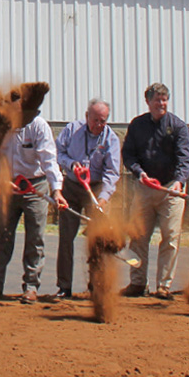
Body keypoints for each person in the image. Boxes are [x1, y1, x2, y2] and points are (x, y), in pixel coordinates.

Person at [0, 91, 67, 304]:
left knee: (35, 239)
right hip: (8, 185)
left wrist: (56, 190)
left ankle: (31, 287)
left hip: (35, 186)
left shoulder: (39, 126)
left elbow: (49, 160)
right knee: (1, 236)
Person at [121, 83, 189, 299]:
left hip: (171, 188)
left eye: (164, 99)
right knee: (138, 237)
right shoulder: (137, 125)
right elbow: (129, 155)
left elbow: (185, 157)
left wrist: (179, 181)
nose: (161, 103)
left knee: (170, 237)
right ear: (148, 101)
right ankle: (137, 282)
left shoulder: (178, 126)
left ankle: (164, 285)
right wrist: (139, 173)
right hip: (144, 187)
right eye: (157, 100)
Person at [54, 98, 121, 298]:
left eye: (103, 121)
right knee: (66, 238)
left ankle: (97, 287)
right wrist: (72, 164)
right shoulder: (71, 130)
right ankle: (64, 287)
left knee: (98, 240)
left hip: (97, 189)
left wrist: (103, 198)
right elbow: (58, 153)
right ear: (86, 117)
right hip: (72, 187)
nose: (99, 125)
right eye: (95, 120)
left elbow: (112, 172)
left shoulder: (111, 139)